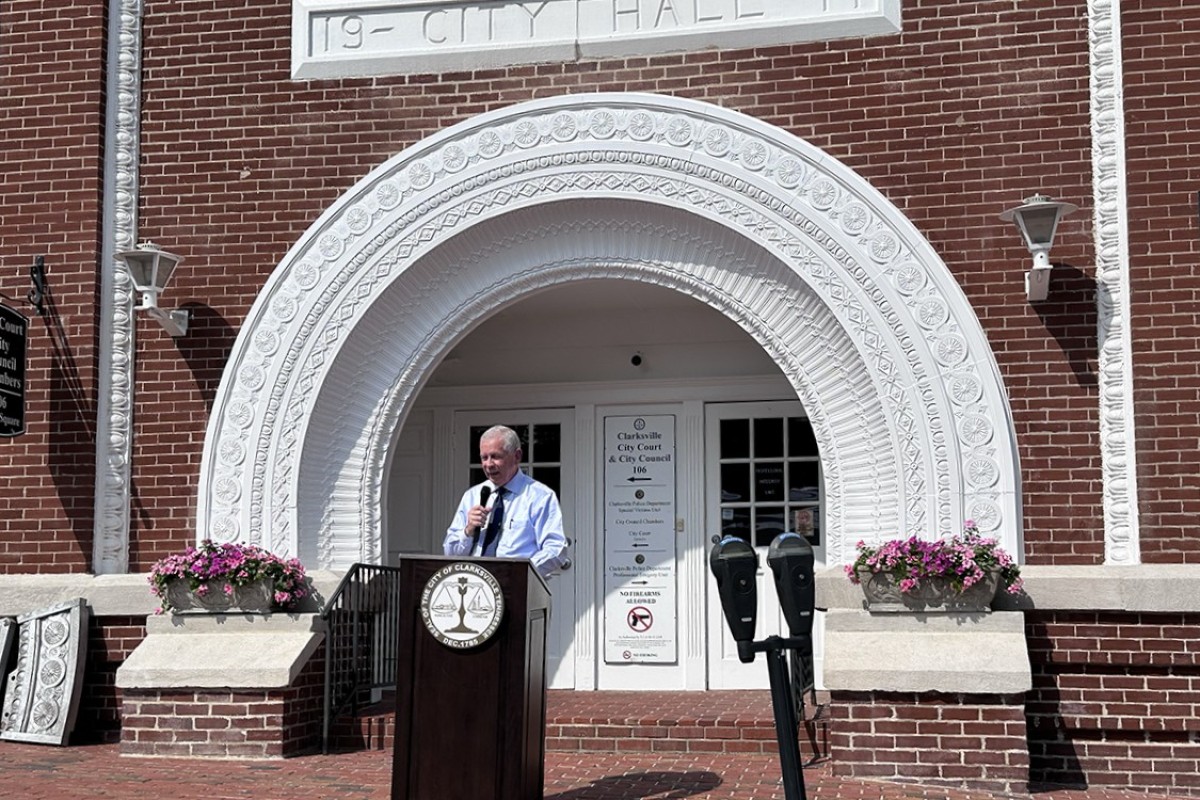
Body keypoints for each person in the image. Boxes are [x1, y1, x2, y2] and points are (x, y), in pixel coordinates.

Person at [443, 425, 568, 579]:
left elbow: (556, 550)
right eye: (484, 457)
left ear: (517, 456)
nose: (488, 464)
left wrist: (519, 573)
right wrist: (468, 530)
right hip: (474, 589)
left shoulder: (540, 497)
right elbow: (450, 553)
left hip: (519, 588)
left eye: (495, 456)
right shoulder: (472, 496)